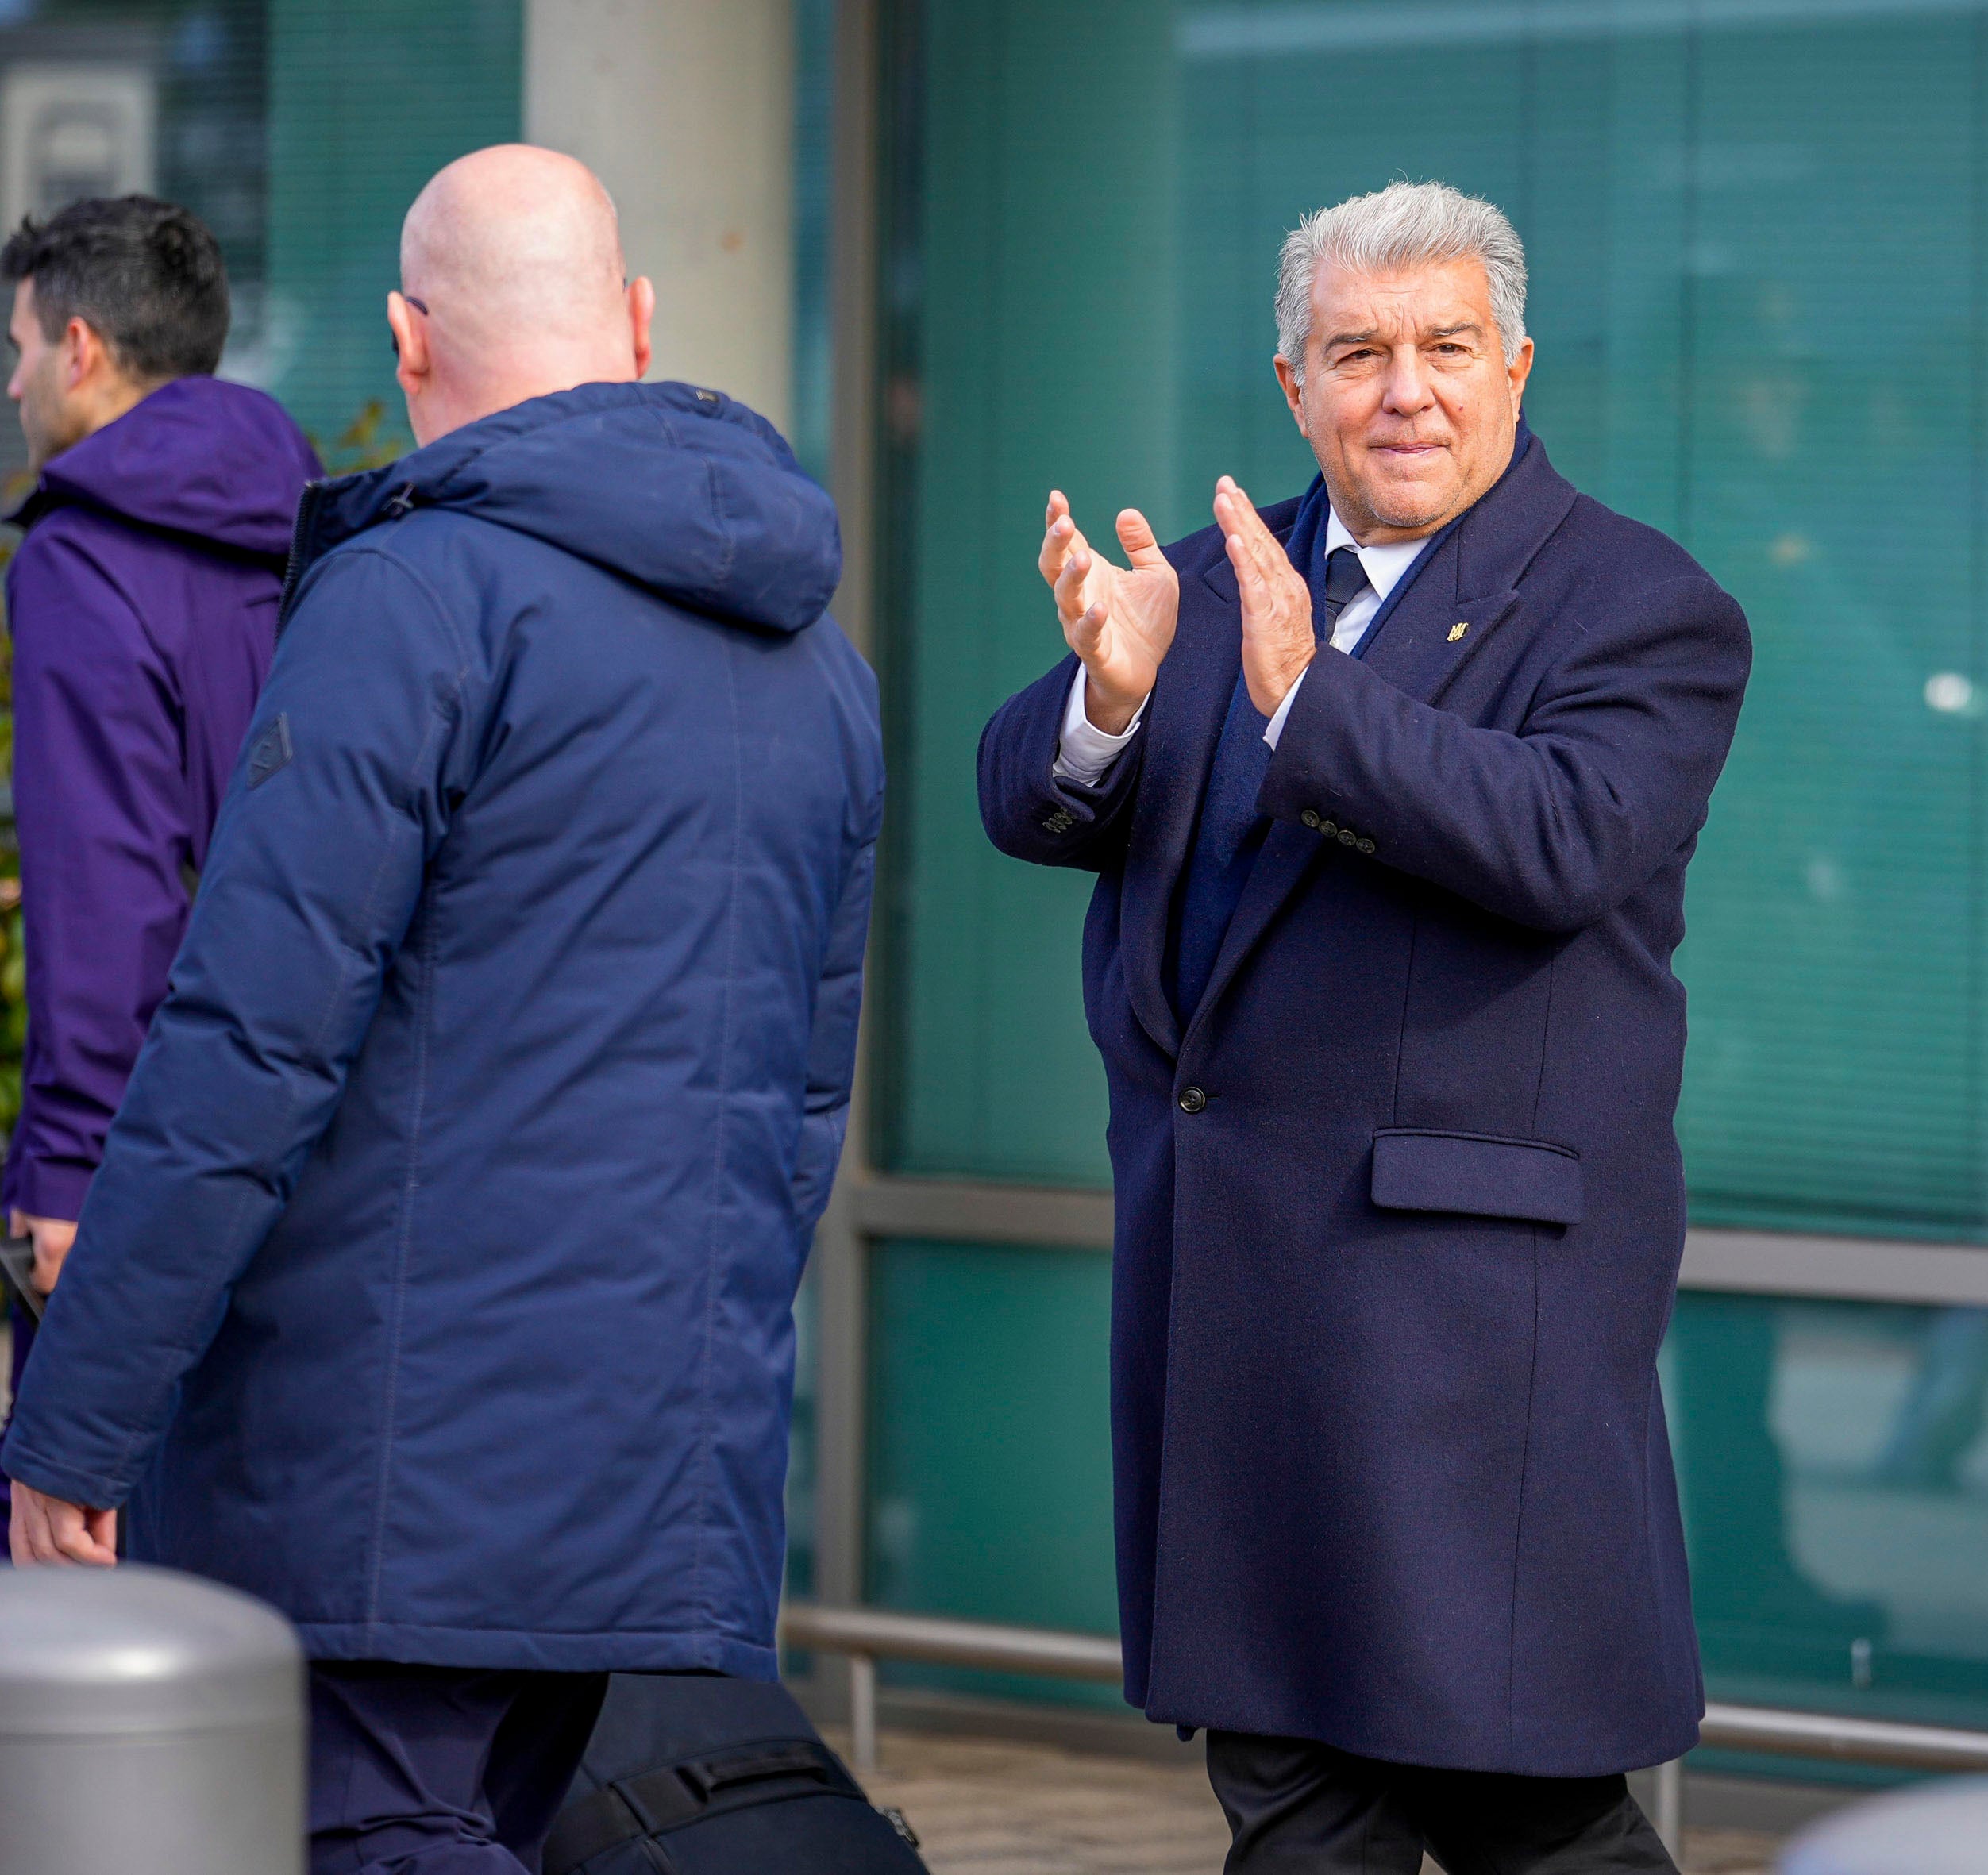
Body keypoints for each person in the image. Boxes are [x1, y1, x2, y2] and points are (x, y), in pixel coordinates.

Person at [0, 144, 880, 1875]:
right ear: (637, 319)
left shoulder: (410, 601)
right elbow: (800, 1104)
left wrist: (76, 1419)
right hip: (640, 1460)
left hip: (376, 1475)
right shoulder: (818, 660)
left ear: (408, 340)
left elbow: (246, 1043)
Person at [978, 179, 1752, 1873]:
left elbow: (1557, 839)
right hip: (1232, 1313)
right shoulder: (1207, 579)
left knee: (1529, 1808)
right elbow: (1019, 800)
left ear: (1517, 367)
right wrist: (1109, 696)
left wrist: (1303, 699)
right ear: (1291, 387)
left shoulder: (1641, 605)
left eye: (1445, 347)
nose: (1404, 389)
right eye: (1357, 353)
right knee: (1293, 1805)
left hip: (1464, 1344)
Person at [0, 197, 320, 1300]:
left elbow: (103, 888)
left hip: (158, 1162)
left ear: (80, 349)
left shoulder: (79, 559)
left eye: (22, 347)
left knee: (77, 1474)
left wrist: (67, 1168)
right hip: (325, 1141)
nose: (14, 384)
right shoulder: (325, 529)